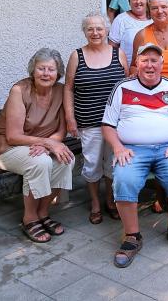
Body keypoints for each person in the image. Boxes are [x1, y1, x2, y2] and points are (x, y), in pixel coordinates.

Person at [102, 43, 168, 268]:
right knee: (124, 180)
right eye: (144, 60)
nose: (150, 65)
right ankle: (132, 236)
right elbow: (107, 125)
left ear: (162, 64)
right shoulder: (122, 87)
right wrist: (117, 147)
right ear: (137, 63)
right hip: (132, 148)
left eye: (155, 60)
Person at [0, 48, 75, 243]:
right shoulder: (19, 91)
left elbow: (61, 129)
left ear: (57, 73)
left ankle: (43, 213)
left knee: (66, 159)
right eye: (41, 68)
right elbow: (13, 135)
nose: (45, 73)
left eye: (51, 69)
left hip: (38, 145)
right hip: (4, 147)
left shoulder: (60, 91)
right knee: (40, 163)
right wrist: (46, 143)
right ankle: (30, 218)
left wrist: (49, 144)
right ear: (32, 71)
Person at [64, 13, 129, 224]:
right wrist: (70, 118)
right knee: (92, 164)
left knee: (113, 163)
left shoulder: (119, 54)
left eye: (99, 28)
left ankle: (110, 200)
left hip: (116, 122)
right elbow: (68, 88)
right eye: (90, 29)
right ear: (84, 32)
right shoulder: (76, 56)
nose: (95, 33)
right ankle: (94, 202)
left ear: (107, 30)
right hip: (88, 121)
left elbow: (126, 85)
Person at [109, 0, 152, 66]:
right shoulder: (121, 19)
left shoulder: (154, 19)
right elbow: (112, 49)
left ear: (146, 0)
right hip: (127, 69)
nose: (138, 1)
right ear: (129, 1)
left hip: (152, 69)